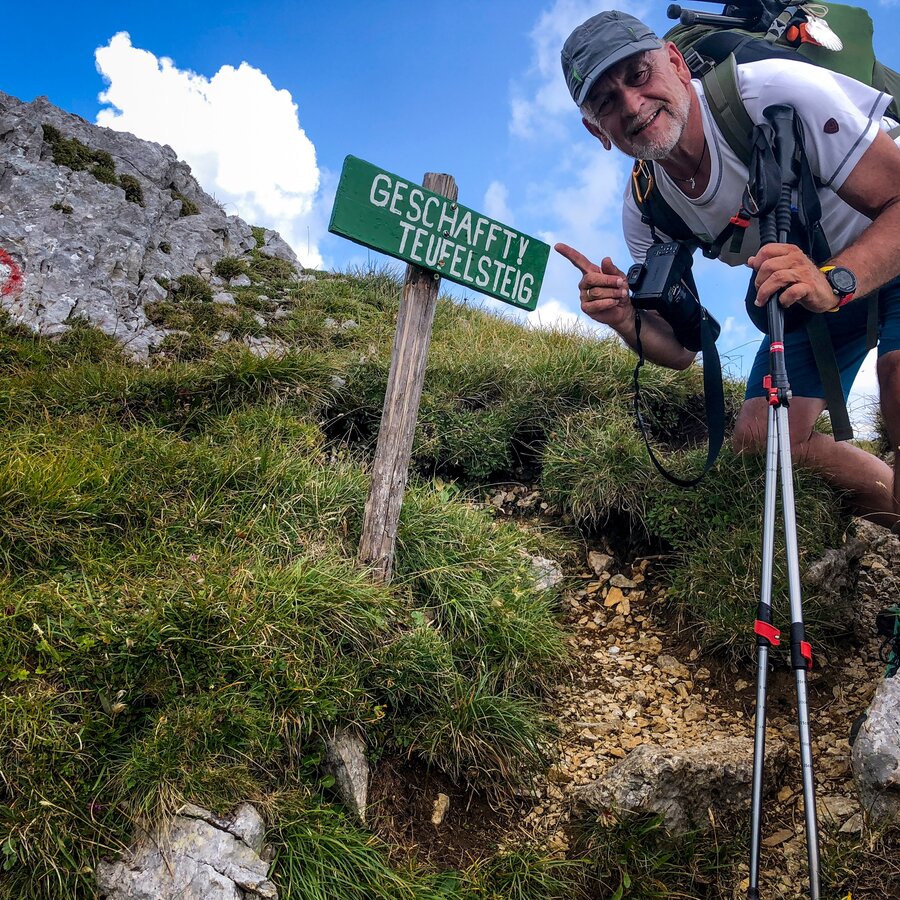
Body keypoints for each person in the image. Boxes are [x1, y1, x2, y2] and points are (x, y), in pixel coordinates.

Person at [555, 10, 900, 530]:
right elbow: (682, 349)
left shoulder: (775, 94)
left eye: (639, 74)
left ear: (676, 63)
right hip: (808, 285)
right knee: (762, 441)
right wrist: (626, 319)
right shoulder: (647, 206)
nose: (632, 104)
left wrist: (834, 281)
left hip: (880, 241)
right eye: (605, 101)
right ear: (595, 130)